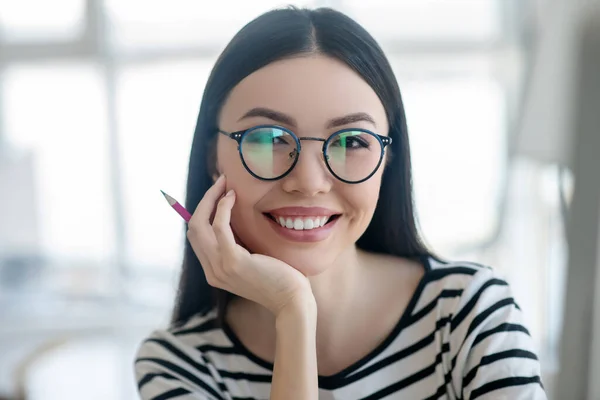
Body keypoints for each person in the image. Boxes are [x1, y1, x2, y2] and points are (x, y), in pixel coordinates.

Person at [134, 6, 546, 400]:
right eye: (269, 140)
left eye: (352, 142)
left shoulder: (469, 314)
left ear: (389, 157)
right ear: (212, 157)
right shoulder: (178, 364)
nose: (309, 183)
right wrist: (293, 312)